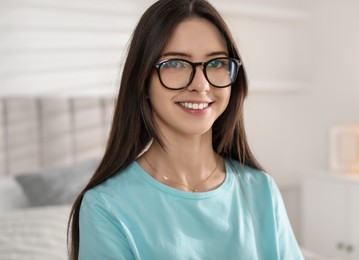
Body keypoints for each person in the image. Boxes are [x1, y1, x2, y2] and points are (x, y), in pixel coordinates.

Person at [68, 0, 304, 259]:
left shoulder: (261, 190)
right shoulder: (106, 207)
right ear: (142, 80)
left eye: (216, 63)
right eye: (175, 64)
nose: (201, 86)